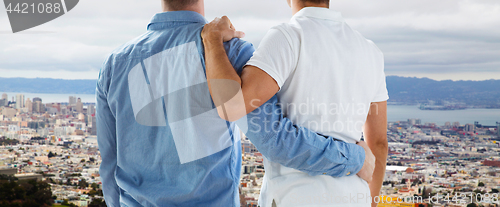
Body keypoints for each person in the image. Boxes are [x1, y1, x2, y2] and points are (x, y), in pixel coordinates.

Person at [96, 0, 375, 206]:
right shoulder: (231, 52)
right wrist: (355, 158)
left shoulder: (114, 64)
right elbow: (274, 138)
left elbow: (109, 164)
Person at [201, 0, 389, 206]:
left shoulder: (289, 36)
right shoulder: (371, 52)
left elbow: (232, 106)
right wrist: (371, 200)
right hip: (354, 197)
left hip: (293, 196)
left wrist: (212, 40)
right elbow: (379, 142)